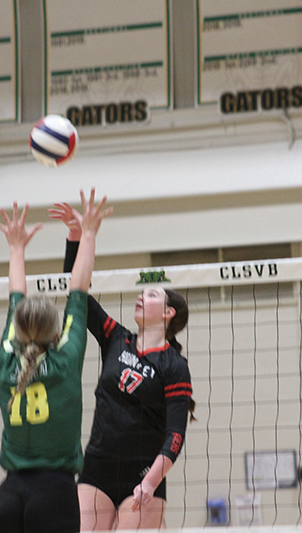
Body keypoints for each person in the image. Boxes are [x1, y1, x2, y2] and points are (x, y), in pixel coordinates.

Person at [49, 202, 194, 530]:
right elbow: (77, 294)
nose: (142, 297)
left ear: (169, 313)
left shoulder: (174, 366)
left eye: (152, 295)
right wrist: (78, 236)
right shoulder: (117, 338)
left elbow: (175, 434)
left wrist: (151, 481)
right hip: (97, 468)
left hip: (142, 474)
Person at [0, 191, 111, 533]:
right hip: (55, 494)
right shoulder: (66, 358)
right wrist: (87, 234)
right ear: (55, 330)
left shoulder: (6, 357)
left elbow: (17, 295)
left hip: (9, 496)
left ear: (17, 327)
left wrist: (16, 249)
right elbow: (79, 289)